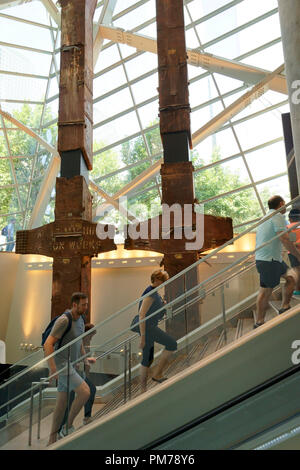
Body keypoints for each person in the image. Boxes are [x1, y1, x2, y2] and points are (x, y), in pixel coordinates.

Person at [44, 292, 96, 446]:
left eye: (86, 304)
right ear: (74, 304)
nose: (86, 307)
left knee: (61, 403)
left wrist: (84, 358)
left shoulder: (81, 319)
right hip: (62, 365)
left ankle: (52, 438)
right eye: (83, 305)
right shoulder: (63, 320)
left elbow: (78, 341)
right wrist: (53, 369)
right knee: (85, 391)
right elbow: (48, 344)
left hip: (71, 364)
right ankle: (67, 427)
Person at [254, 195, 300, 328]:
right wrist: (297, 255)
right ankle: (259, 322)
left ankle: (285, 306)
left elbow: (285, 236)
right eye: (284, 204)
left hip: (273, 259)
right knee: (265, 291)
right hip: (269, 260)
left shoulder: (266, 218)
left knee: (291, 278)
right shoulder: (277, 216)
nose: (285, 207)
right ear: (280, 204)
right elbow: (284, 239)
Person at [138, 269, 177, 393]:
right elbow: (141, 315)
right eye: (163, 281)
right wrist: (143, 337)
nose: (165, 283)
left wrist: (163, 304)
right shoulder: (151, 293)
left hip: (150, 327)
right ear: (157, 280)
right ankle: (154, 377)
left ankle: (146, 386)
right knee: (171, 344)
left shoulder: (155, 292)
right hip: (148, 328)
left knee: (147, 359)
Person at [58, 323, 97, 432]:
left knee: (91, 390)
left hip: (79, 374)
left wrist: (87, 361)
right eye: (91, 335)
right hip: (71, 374)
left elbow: (82, 357)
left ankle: (85, 417)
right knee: (69, 400)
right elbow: (71, 357)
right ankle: (63, 427)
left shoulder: (84, 343)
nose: (91, 337)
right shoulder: (76, 341)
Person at [287, 207, 300, 296]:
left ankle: (297, 289)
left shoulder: (288, 227)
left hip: (292, 252)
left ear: (290, 218)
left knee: (296, 270)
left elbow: (292, 241)